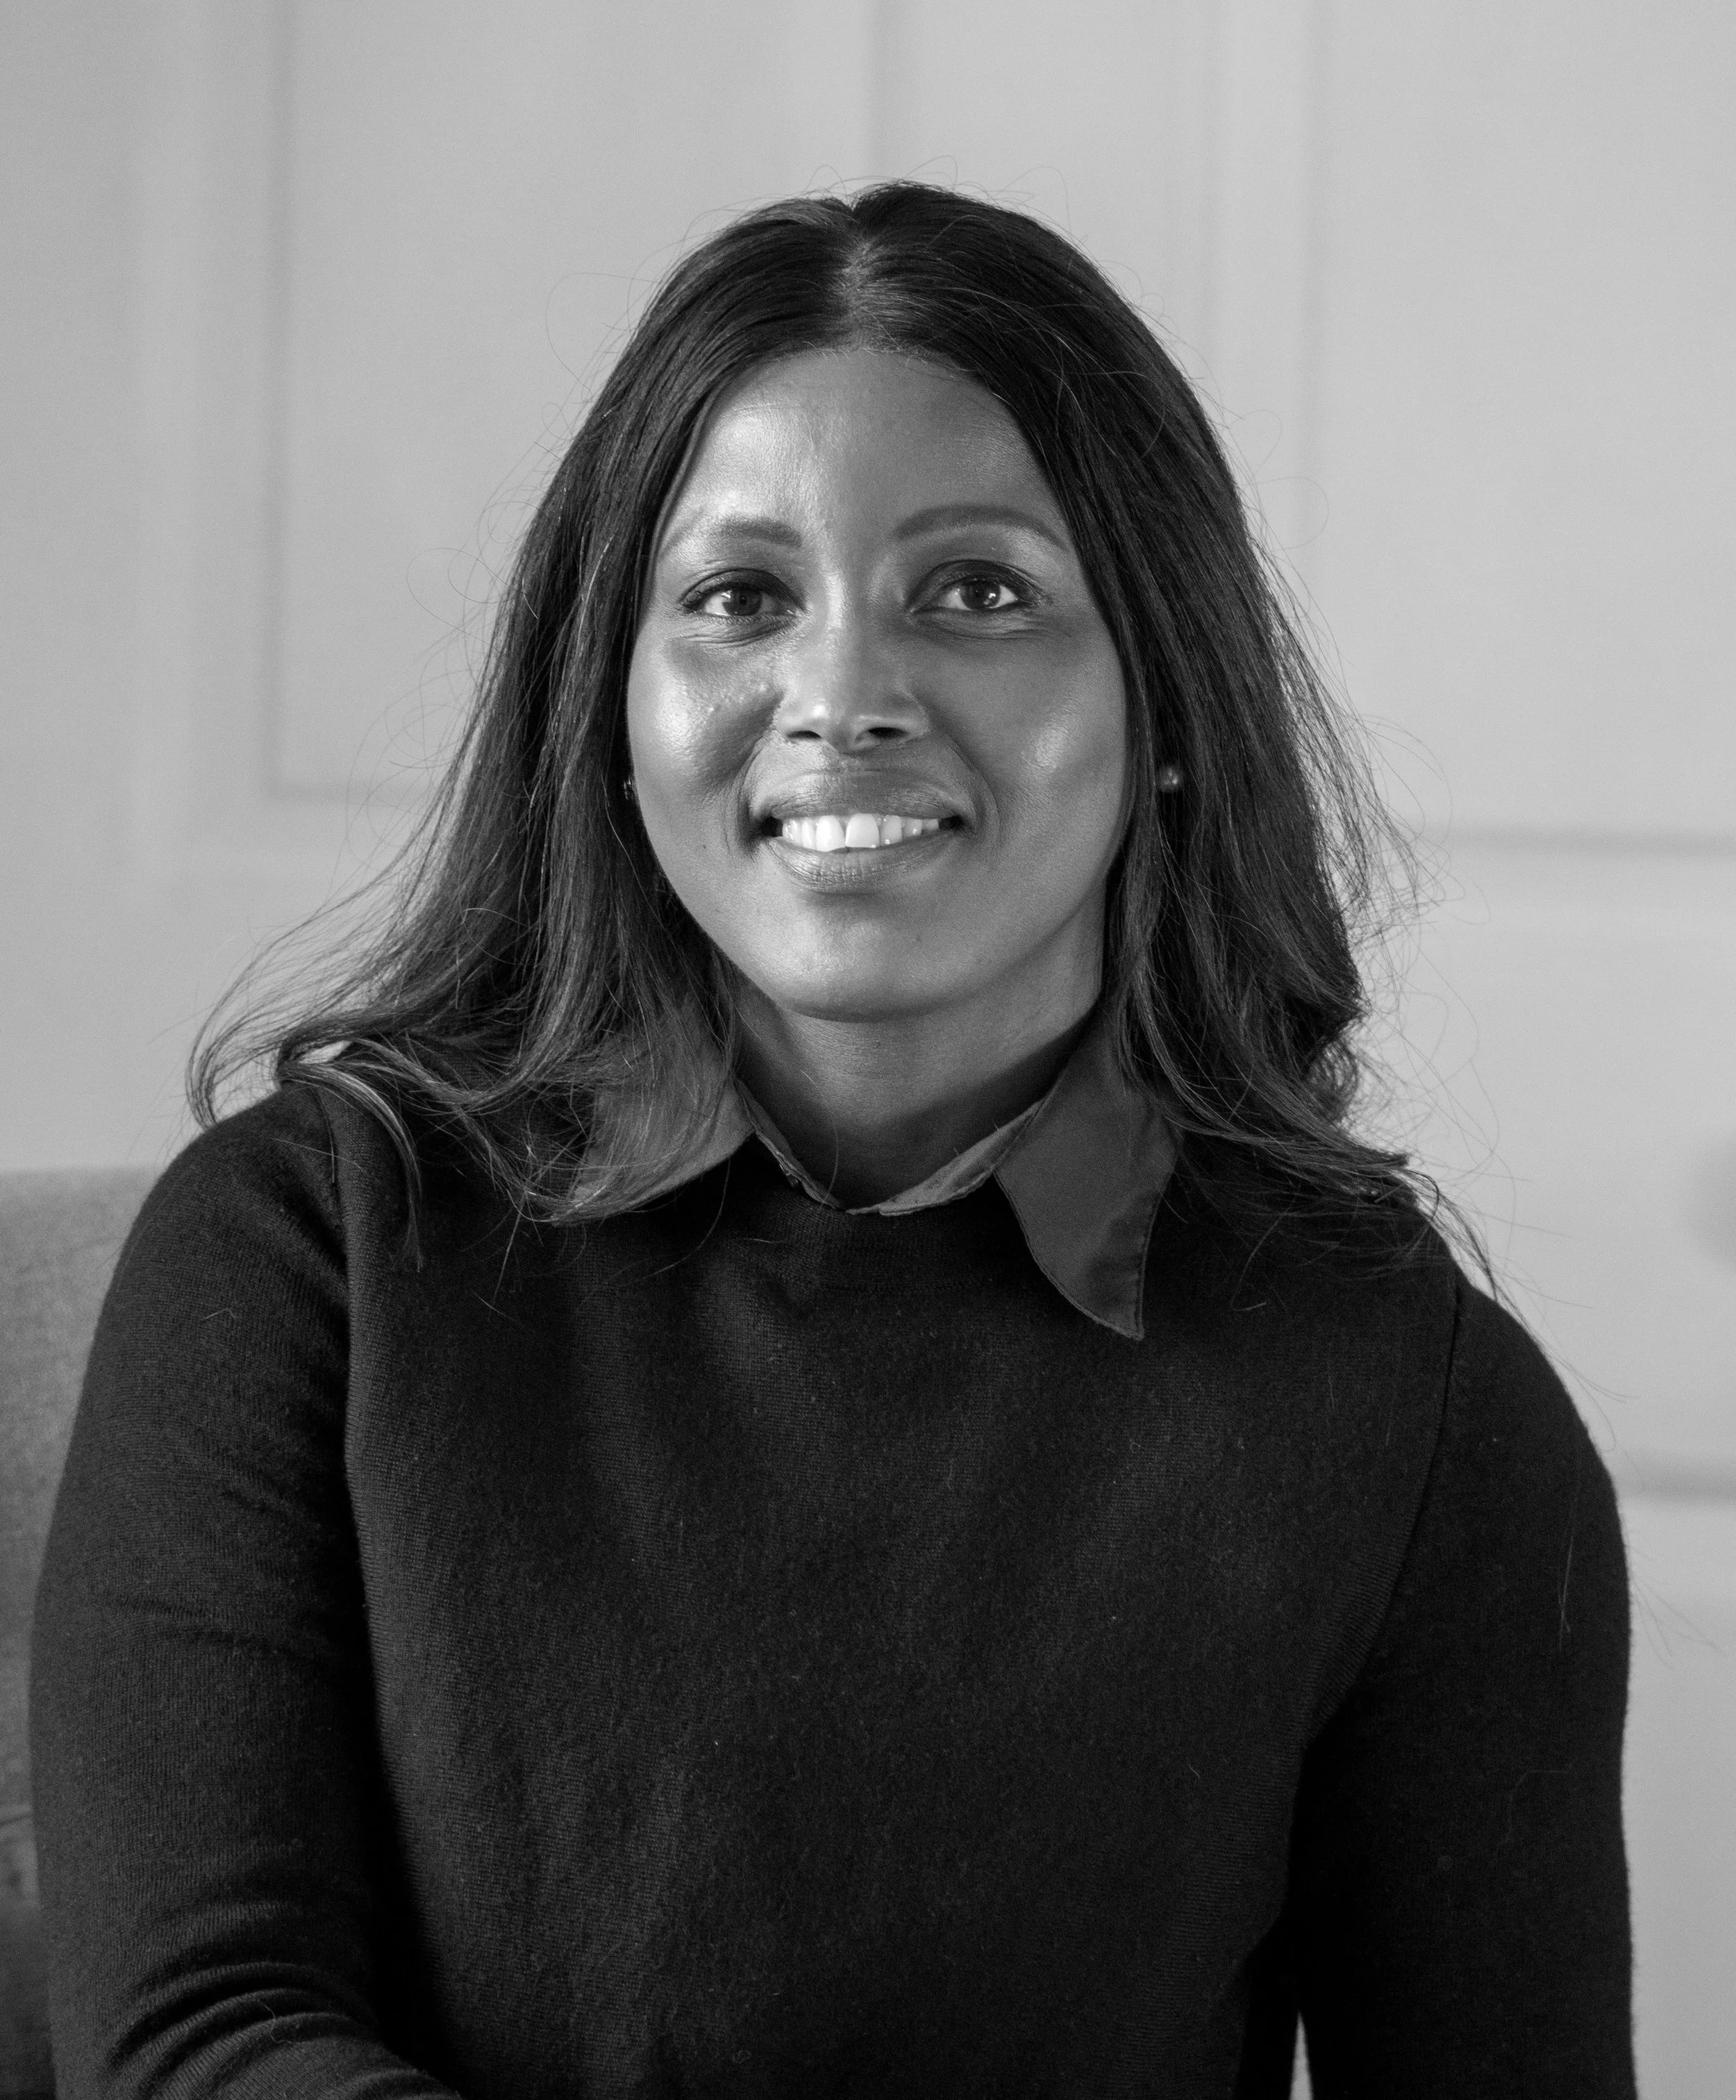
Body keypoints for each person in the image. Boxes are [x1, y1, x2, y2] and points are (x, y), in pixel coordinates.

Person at [31, 182, 1634, 2099]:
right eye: (737, 599)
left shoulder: (1418, 1411)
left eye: (977, 592)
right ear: (608, 716)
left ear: (1164, 704)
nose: (846, 700)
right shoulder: (308, 1255)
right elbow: (197, 2036)